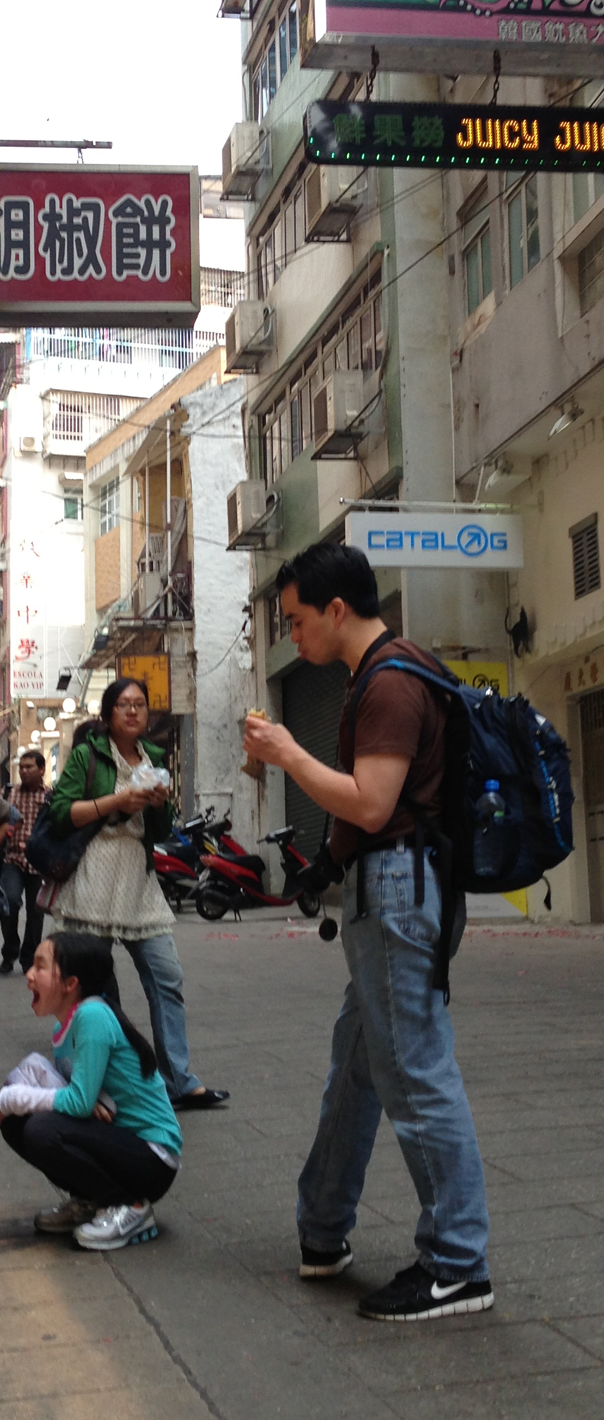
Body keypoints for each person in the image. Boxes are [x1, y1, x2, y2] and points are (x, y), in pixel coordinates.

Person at [243, 542, 492, 1323]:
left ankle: (457, 1263)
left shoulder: (387, 683)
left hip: (398, 891)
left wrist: (288, 754)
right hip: (400, 889)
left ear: (337, 610)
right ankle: (323, 1228)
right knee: (357, 1068)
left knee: (416, 1077)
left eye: (296, 620)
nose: (294, 637)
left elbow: (372, 804)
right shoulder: (396, 669)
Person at [48, 678, 227, 1111]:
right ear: (108, 713)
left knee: (167, 977)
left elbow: (161, 831)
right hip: (94, 876)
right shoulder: (89, 755)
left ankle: (178, 1080)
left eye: (141, 705)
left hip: (139, 881)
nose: (133, 711)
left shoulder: (156, 758)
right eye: (124, 704)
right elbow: (60, 814)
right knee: (97, 990)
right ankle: (105, 1081)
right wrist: (118, 801)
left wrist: (159, 804)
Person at [0, 931, 181, 1250]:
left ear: (71, 983)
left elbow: (78, 1103)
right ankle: (91, 1201)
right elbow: (79, 1096)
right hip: (117, 1142)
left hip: (151, 1158)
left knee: (40, 1127)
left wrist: (10, 1098)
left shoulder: (92, 1016)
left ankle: (129, 1207)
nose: (28, 975)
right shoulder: (63, 1027)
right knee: (16, 1122)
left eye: (40, 966)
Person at [0, 750, 51, 975]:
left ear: (42, 770)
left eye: (29, 767)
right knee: (9, 902)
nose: (24, 771)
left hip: (39, 863)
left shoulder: (50, 796)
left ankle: (29, 956)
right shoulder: (8, 793)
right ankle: (10, 950)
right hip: (13, 859)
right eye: (21, 767)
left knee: (36, 911)